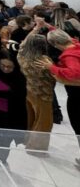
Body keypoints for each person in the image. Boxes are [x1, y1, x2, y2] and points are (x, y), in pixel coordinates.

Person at [35, 29, 80, 161]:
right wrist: (44, 26)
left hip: (77, 96)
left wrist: (51, 67)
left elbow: (73, 74)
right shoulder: (76, 44)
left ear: (55, 44)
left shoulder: (69, 56)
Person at [17, 34, 55, 152]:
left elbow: (22, 46)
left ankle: (27, 140)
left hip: (28, 91)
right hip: (42, 93)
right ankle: (36, 147)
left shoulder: (21, 55)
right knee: (44, 121)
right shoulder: (44, 60)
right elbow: (54, 75)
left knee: (30, 118)